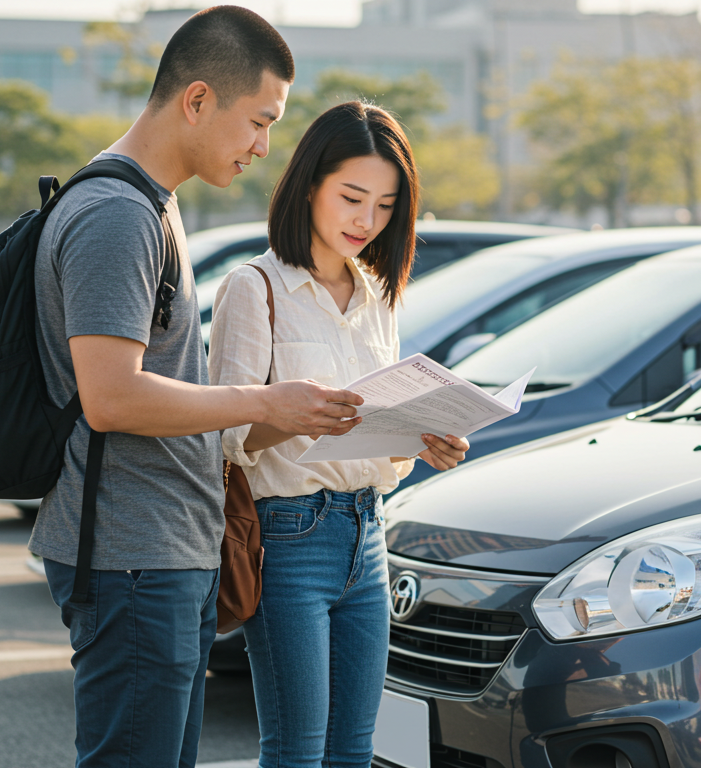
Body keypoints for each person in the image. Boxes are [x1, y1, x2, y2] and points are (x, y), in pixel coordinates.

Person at [30, 8, 366, 768]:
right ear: (197, 100)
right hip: (133, 556)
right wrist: (262, 400)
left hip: (158, 551)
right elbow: (112, 397)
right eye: (258, 120)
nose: (263, 146)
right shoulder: (118, 215)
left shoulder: (151, 203)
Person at [207, 101, 470, 768]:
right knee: (297, 751)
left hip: (369, 534)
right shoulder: (255, 287)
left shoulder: (377, 293)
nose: (366, 220)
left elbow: (377, 429)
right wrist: (285, 415)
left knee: (355, 750)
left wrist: (422, 440)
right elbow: (226, 434)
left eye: (384, 206)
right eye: (353, 197)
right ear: (310, 185)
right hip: (289, 537)